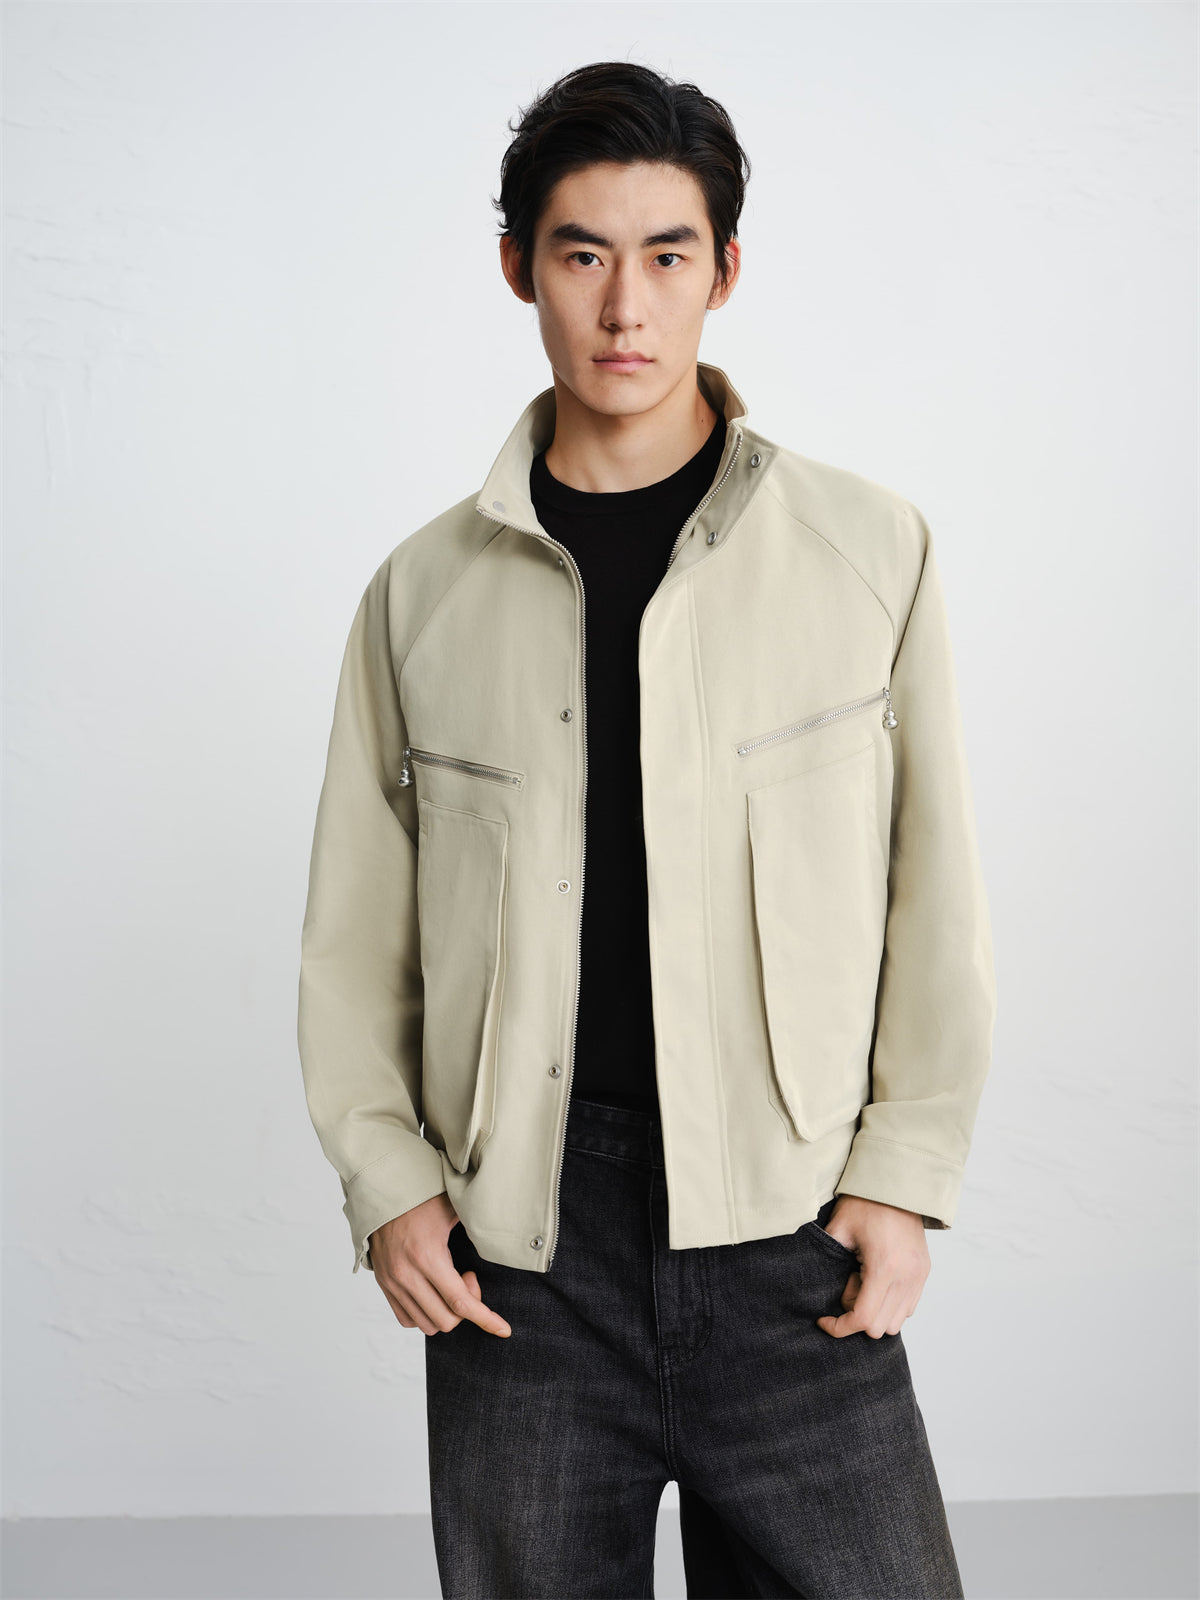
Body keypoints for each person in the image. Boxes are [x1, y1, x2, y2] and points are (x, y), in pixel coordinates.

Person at [297, 59, 996, 1600]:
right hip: (521, 1260)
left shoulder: (868, 551)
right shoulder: (420, 596)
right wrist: (390, 1183)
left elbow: (933, 891)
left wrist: (903, 1173)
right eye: (583, 255)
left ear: (725, 271)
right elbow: (354, 939)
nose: (626, 307)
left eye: (668, 255)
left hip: (792, 1235)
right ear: (518, 269)